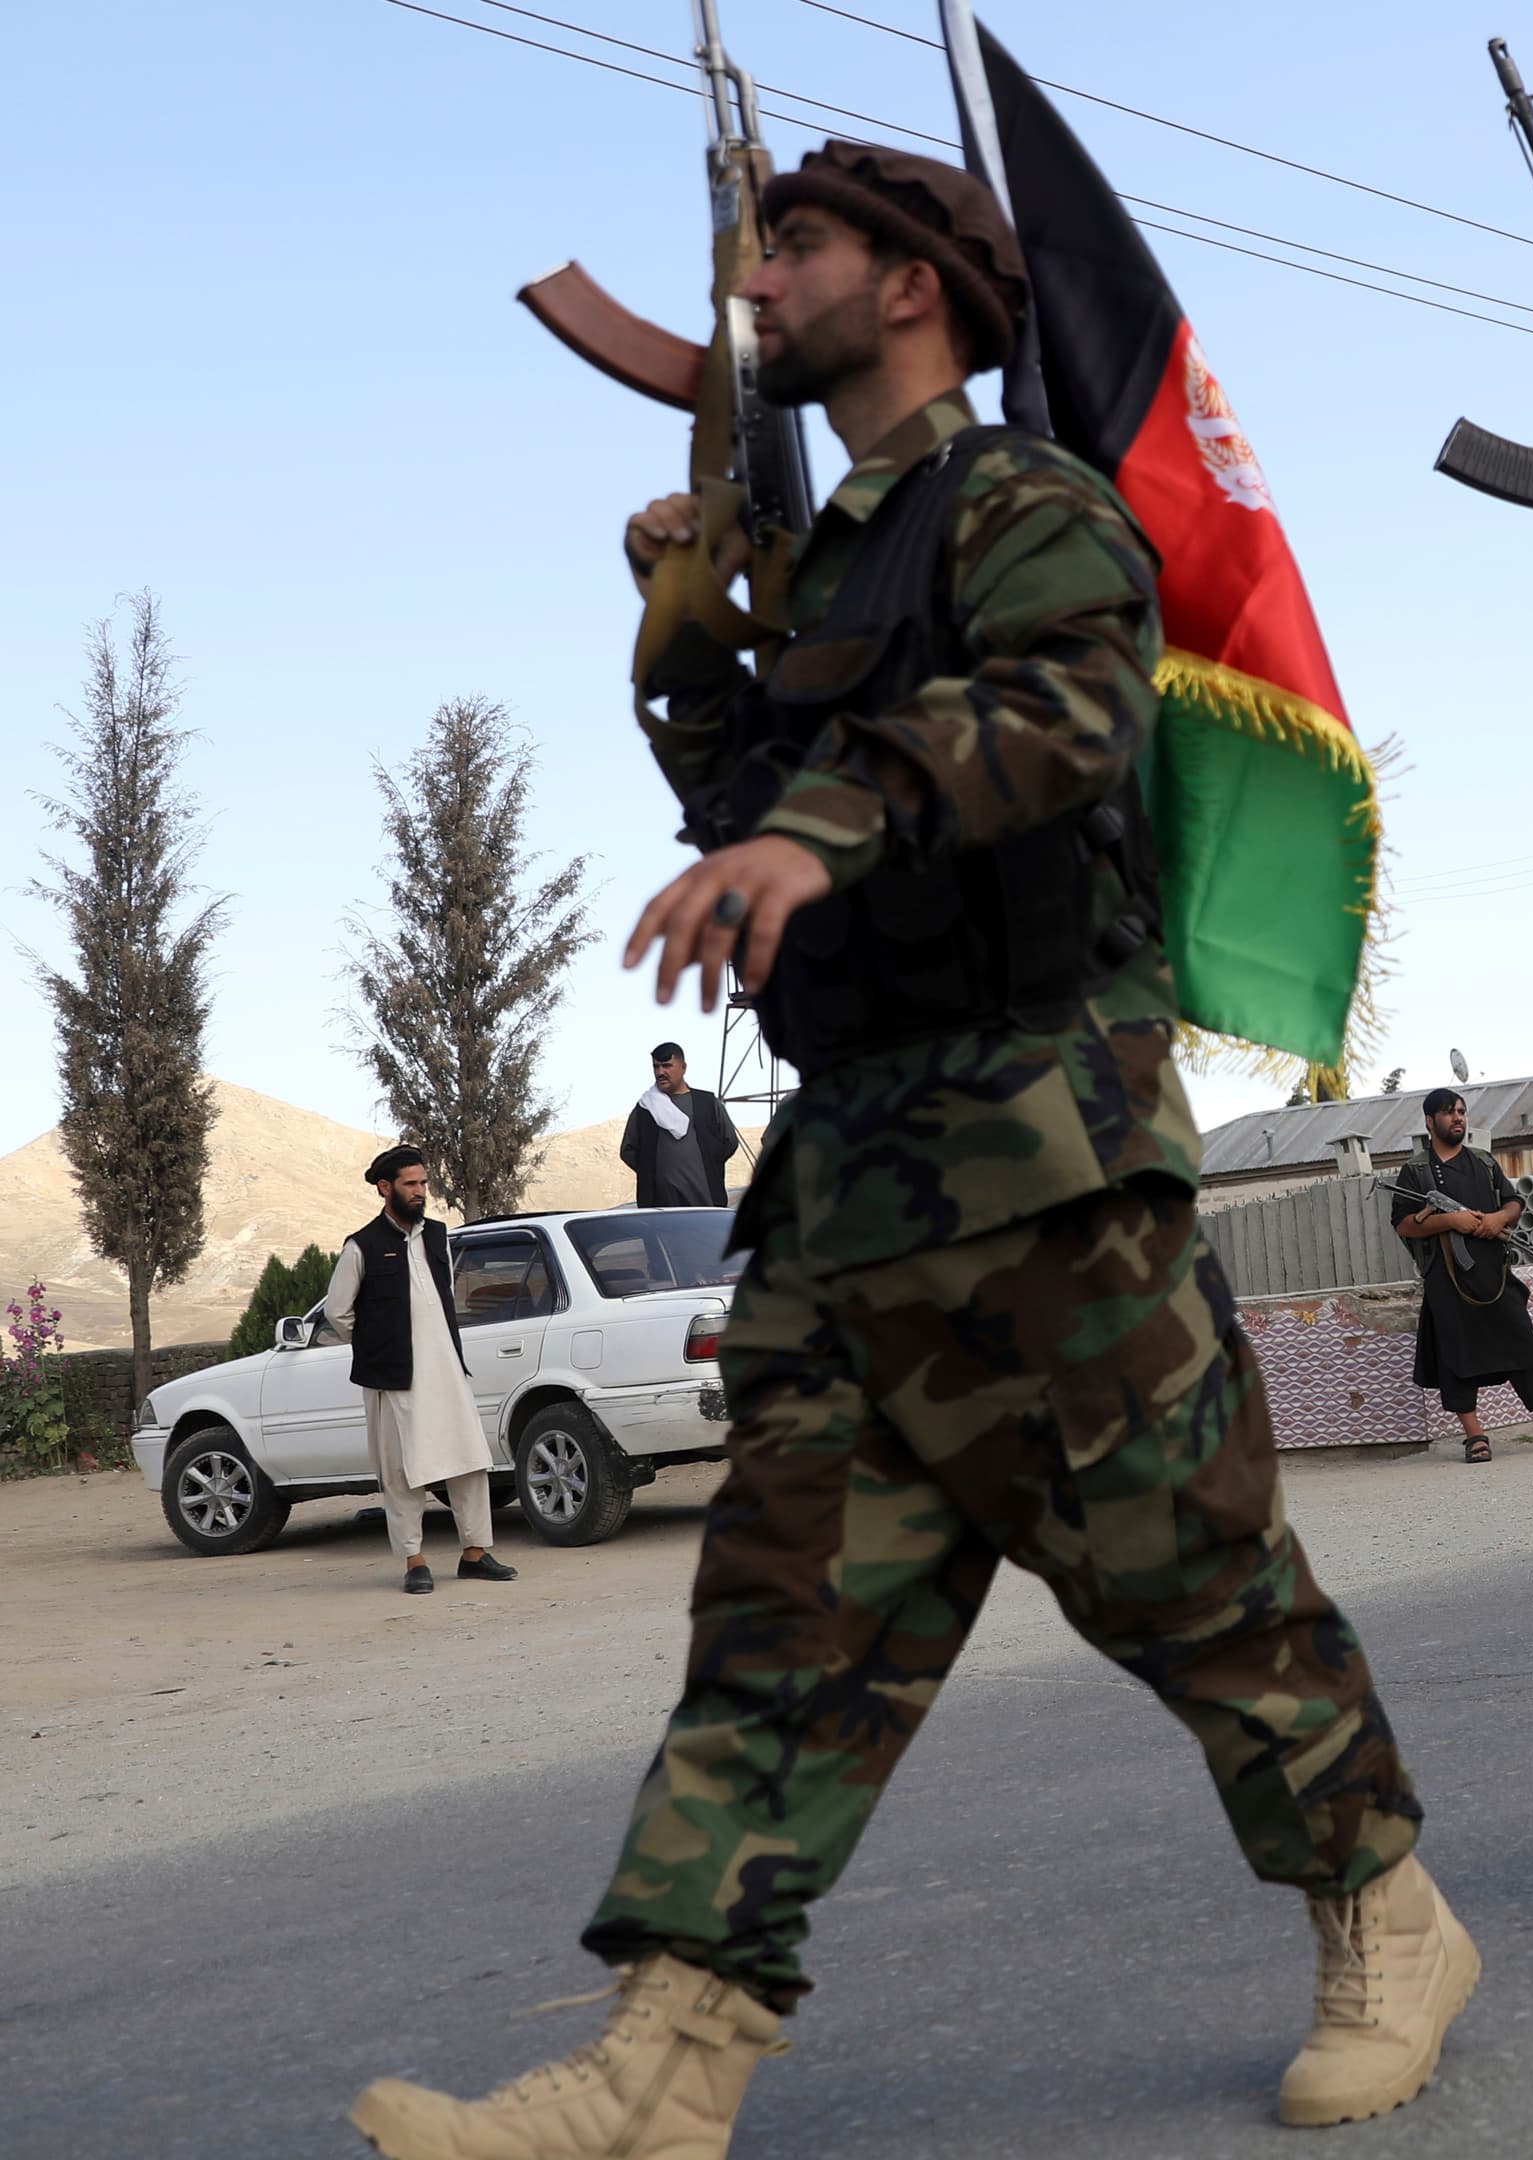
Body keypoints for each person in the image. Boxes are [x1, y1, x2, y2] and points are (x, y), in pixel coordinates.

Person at [350, 146, 1463, 2156]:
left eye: (794, 246)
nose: (758, 284)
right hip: (849, 1179)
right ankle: (661, 2075)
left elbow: (1061, 713)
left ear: (915, 285)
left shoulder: (1026, 502)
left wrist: (821, 822)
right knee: (781, 1630)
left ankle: (1387, 1915)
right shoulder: (828, 570)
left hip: (1042, 1158)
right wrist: (687, 641)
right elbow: (749, 808)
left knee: (1192, 1581)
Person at [318, 1145, 512, 1596]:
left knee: (468, 1460)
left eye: (423, 1183)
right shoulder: (361, 1246)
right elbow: (338, 1311)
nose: (420, 1191)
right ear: (385, 1188)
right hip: (394, 1380)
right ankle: (414, 1560)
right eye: (410, 1184)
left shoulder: (437, 1236)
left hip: (446, 1371)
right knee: (402, 1471)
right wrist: (379, 1347)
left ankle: (475, 1553)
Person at [1386, 1089, 1533, 1460]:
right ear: (1430, 1121)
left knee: (1525, 1345)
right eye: (1448, 1112)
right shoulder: (1416, 1171)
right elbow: (1404, 1224)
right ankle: (1475, 1436)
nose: (1458, 1118)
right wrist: (1451, 1220)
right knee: (1457, 1356)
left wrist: (1498, 1218)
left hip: (1495, 1273)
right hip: (1447, 1278)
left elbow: (1513, 1202)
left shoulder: (1483, 1161)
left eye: (1461, 1111)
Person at [617, 1041, 742, 1207]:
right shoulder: (646, 1107)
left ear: (683, 1067)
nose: (660, 1072)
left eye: (667, 1066)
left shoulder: (706, 1103)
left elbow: (730, 1141)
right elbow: (628, 1150)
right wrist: (652, 1173)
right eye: (656, 1067)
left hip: (706, 1201)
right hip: (660, 1205)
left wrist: (709, 1166)